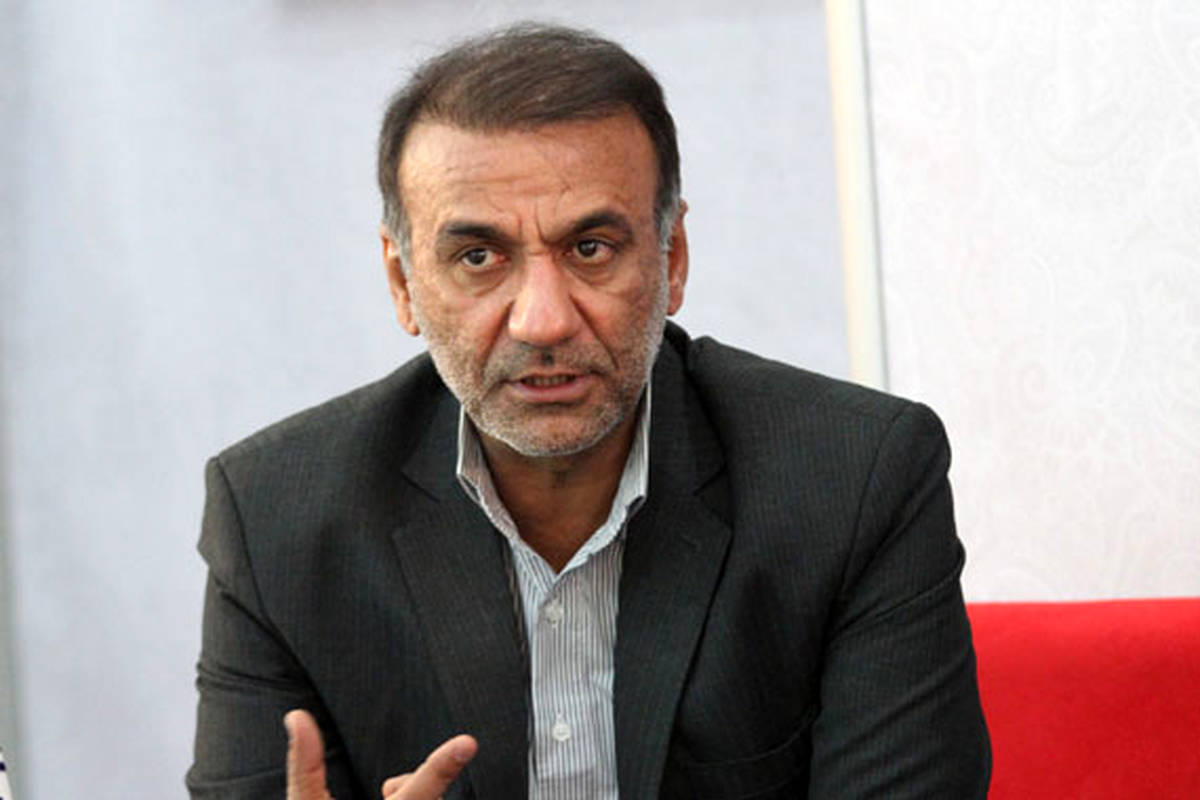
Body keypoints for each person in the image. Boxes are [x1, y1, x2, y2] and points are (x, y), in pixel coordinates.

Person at [187, 23, 990, 800]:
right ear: (403, 284)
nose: (542, 321)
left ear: (672, 258)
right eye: (478, 257)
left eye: (590, 249)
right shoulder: (276, 520)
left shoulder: (856, 481)